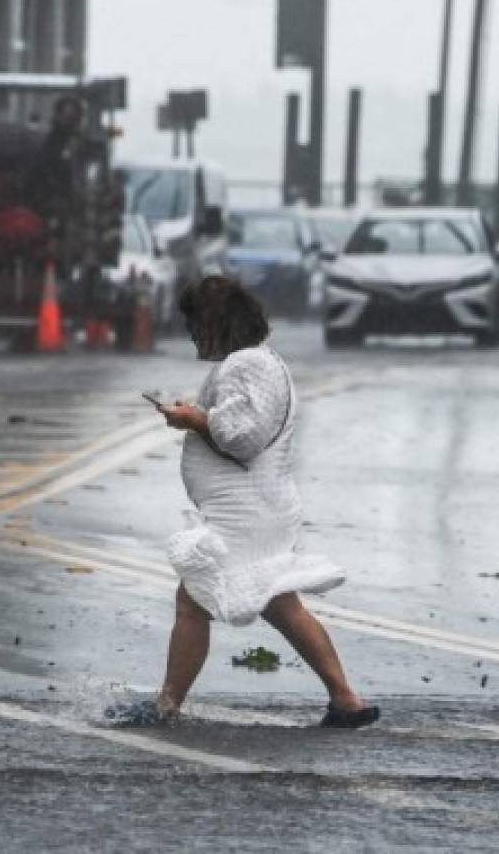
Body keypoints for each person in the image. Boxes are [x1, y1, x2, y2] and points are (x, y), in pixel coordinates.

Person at [123, 277, 379, 729]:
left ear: (214, 322)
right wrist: (199, 417)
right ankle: (345, 699)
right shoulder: (261, 362)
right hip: (258, 506)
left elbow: (244, 438)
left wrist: (194, 419)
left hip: (245, 511)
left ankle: (166, 705)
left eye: (194, 323)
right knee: (280, 603)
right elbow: (243, 426)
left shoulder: (246, 365)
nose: (190, 334)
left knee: (193, 597)